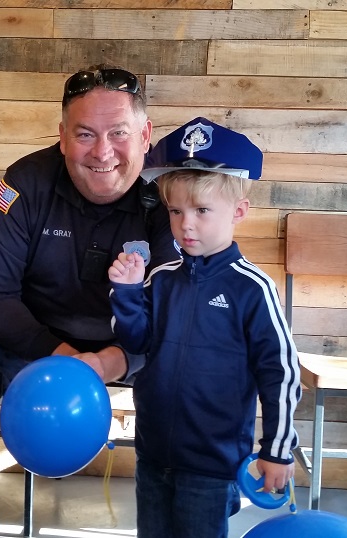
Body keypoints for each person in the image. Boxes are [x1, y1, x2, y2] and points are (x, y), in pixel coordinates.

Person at [0, 64, 179, 536]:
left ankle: (176, 522)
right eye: (84, 134)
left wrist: (108, 363)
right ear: (62, 137)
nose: (102, 152)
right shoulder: (25, 182)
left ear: (145, 134)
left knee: (193, 362)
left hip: (136, 347)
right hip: (34, 342)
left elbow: (176, 310)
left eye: (118, 132)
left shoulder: (170, 193)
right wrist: (67, 359)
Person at [108, 117, 302, 538]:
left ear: (239, 212)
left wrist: (277, 449)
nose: (186, 224)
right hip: (153, 454)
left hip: (212, 466)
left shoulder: (254, 289)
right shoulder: (160, 277)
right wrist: (125, 293)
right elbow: (137, 342)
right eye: (175, 211)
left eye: (201, 211)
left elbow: (281, 372)